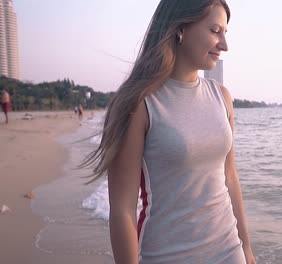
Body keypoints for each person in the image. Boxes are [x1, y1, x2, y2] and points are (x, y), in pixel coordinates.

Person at [82, 1, 255, 263]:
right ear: (180, 29)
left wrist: (246, 247)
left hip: (229, 251)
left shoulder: (222, 97)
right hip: (166, 255)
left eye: (225, 33)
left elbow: (229, 177)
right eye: (214, 30)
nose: (224, 44)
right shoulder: (139, 103)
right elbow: (123, 210)